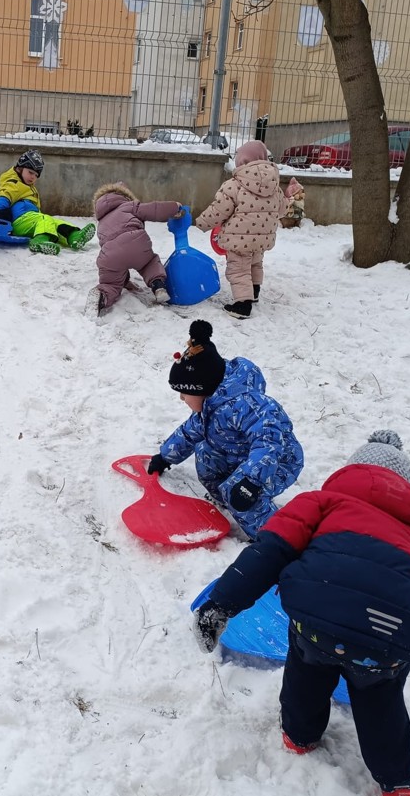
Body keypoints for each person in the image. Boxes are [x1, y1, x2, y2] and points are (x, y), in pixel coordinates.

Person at [191, 431, 410, 796]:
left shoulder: (321, 503)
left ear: (351, 471)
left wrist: (221, 604)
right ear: (405, 490)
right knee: (381, 697)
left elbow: (268, 552)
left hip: (315, 620)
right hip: (385, 641)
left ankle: (299, 735)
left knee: (307, 667)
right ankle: (400, 781)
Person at [148, 320, 303, 538]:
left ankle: (273, 537)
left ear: (201, 388)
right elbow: (189, 432)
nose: (182, 398)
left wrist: (250, 482)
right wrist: (165, 457)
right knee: (205, 453)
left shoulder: (248, 406)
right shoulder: (211, 406)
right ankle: (228, 496)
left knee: (243, 497)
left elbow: (268, 444)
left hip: (277, 462)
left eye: (184, 393)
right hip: (241, 455)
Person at [194, 139, 289, 320]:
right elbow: (282, 209)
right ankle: (254, 291)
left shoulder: (234, 185)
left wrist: (201, 222)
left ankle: (242, 305)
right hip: (262, 238)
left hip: (239, 239)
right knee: (255, 263)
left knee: (238, 270)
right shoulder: (274, 185)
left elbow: (219, 210)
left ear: (242, 161)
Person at [85, 182, 183, 316]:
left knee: (111, 284)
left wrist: (122, 280)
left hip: (110, 256)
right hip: (136, 243)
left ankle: (101, 296)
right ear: (124, 196)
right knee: (149, 263)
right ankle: (158, 285)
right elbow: (153, 209)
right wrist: (173, 208)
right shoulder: (128, 206)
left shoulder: (101, 223)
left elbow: (115, 251)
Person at [0, 149, 95, 256]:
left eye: (36, 175)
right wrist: (1, 215)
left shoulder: (28, 187)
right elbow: (4, 196)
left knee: (54, 222)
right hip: (18, 222)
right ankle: (39, 241)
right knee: (44, 219)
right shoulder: (14, 183)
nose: (33, 177)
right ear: (20, 169)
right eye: (30, 172)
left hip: (29, 221)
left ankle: (73, 236)